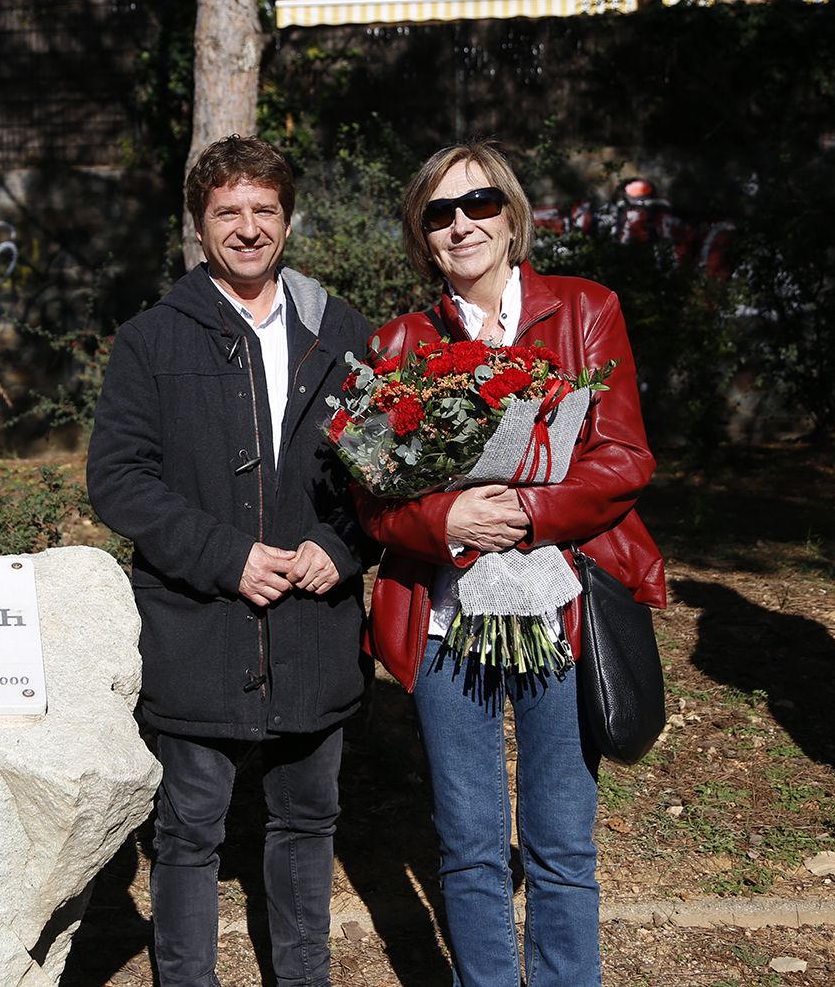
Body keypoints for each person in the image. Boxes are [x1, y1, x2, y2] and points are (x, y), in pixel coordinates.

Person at [357, 141, 666, 986]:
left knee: (561, 843)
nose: (462, 225)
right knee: (467, 845)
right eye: (439, 213)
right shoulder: (399, 343)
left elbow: (623, 457)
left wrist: (530, 510)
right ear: (424, 237)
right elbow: (371, 497)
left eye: (480, 204)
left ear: (511, 216)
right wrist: (445, 517)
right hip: (446, 622)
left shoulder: (586, 310)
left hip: (559, 613)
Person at [87, 135, 373, 987]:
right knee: (188, 830)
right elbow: (120, 479)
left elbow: (384, 471)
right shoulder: (151, 340)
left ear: (287, 219)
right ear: (200, 225)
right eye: (228, 212)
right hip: (197, 621)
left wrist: (341, 547)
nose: (248, 228)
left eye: (264, 210)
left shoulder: (342, 333)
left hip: (314, 622)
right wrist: (226, 556)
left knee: (307, 821)